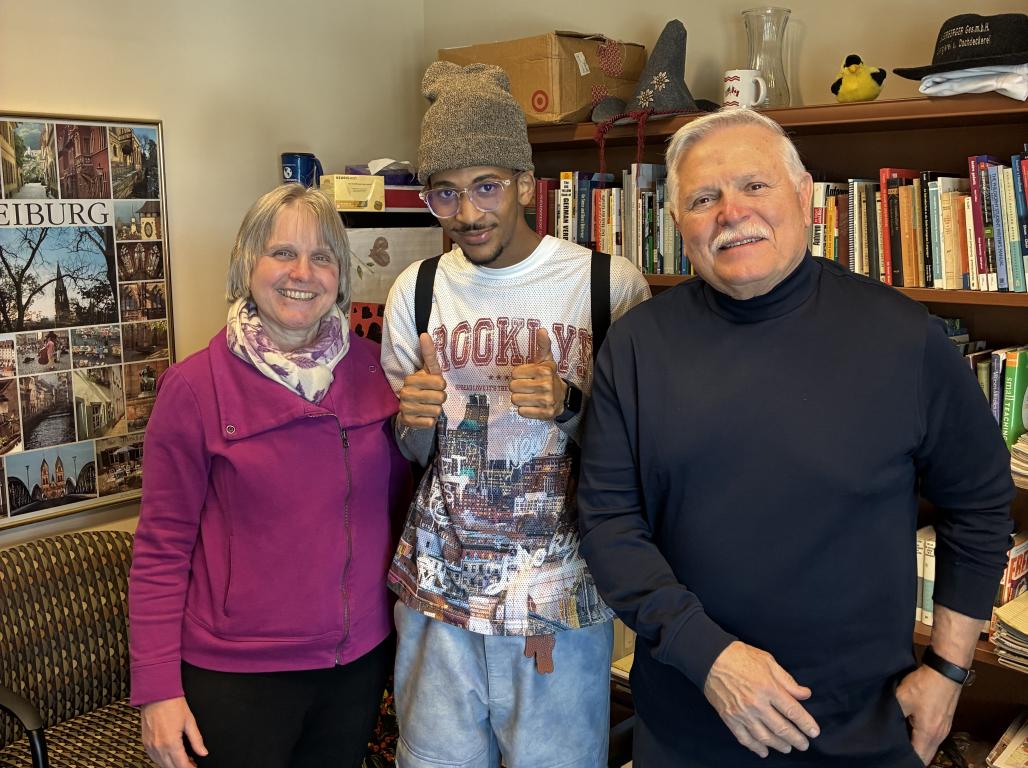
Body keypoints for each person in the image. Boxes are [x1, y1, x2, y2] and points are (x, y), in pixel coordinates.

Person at [577, 107, 1015, 768]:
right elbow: (608, 523)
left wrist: (950, 671)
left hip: (863, 727)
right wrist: (710, 656)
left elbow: (979, 504)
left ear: (804, 195)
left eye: (754, 185)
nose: (731, 212)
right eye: (703, 198)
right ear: (677, 222)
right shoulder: (637, 345)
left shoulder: (904, 338)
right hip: (687, 722)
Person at [380, 61, 650, 768]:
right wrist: (413, 420)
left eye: (486, 186)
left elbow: (642, 448)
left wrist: (570, 406)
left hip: (558, 602)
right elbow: (413, 453)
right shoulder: (417, 289)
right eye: (444, 192)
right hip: (438, 598)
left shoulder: (606, 287)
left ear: (527, 184)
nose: (467, 214)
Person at [128, 184, 411, 768]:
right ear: (247, 264)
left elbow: (400, 507)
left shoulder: (374, 369)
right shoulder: (194, 388)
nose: (301, 273)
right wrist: (156, 689)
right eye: (282, 253)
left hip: (357, 664)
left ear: (340, 274)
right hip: (238, 675)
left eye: (321, 256)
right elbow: (160, 548)